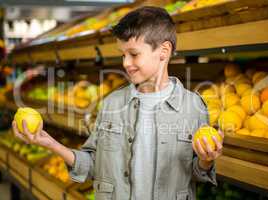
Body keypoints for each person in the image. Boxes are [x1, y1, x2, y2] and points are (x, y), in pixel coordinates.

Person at [12, 6, 223, 200]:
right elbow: (94, 166)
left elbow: (195, 174)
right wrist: (49, 143)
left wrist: (206, 160)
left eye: (133, 54)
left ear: (164, 52)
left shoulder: (193, 107)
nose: (125, 63)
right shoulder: (112, 104)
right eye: (123, 55)